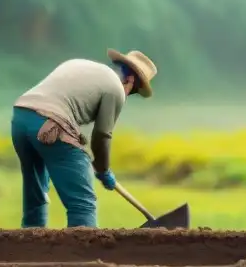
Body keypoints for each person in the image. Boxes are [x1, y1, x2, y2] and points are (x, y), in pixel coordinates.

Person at [10, 49, 157, 229]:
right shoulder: (116, 88)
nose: (127, 95)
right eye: (133, 92)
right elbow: (102, 135)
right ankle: (83, 255)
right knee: (83, 203)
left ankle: (28, 248)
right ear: (131, 80)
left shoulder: (79, 65)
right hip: (50, 126)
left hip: (20, 118)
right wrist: (103, 170)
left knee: (36, 193)